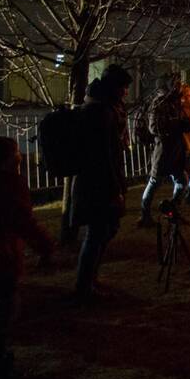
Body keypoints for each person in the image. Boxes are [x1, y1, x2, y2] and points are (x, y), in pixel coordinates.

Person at [70, 64, 133, 302]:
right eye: (124, 87)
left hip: (101, 179)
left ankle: (89, 280)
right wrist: (115, 189)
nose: (126, 92)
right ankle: (84, 286)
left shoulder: (104, 106)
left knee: (106, 229)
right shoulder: (100, 112)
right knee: (97, 232)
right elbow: (103, 154)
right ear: (114, 87)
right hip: (98, 182)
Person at [0, 137, 55, 379]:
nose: (20, 157)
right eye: (16, 153)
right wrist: (45, 246)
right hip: (2, 257)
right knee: (4, 307)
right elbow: (23, 221)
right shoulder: (9, 185)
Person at [140, 76, 190, 227]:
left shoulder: (174, 101)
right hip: (164, 150)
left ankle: (172, 210)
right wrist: (176, 126)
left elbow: (179, 120)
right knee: (154, 182)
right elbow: (154, 128)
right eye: (176, 84)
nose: (179, 87)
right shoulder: (159, 102)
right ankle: (145, 215)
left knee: (182, 180)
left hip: (176, 149)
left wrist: (184, 124)